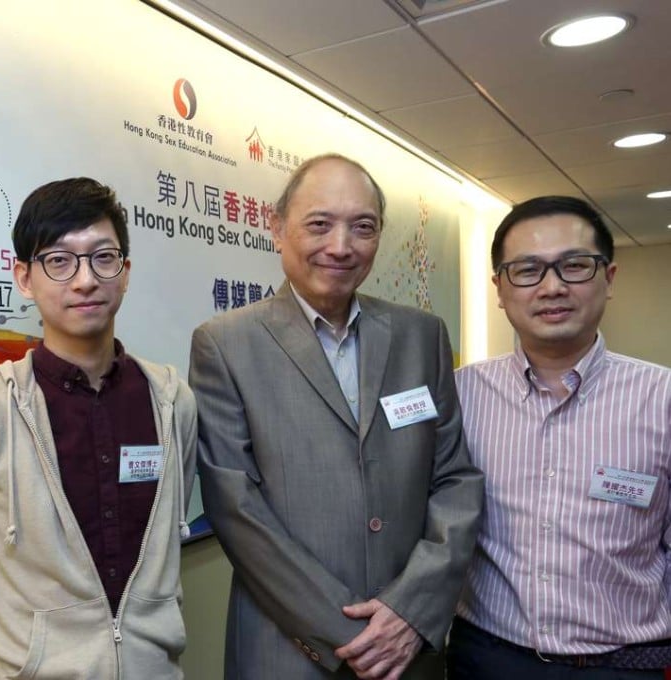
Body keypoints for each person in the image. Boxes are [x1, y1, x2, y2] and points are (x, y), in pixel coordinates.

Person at [190, 153, 484, 680]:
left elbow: (454, 481)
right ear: (277, 228)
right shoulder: (226, 344)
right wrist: (350, 636)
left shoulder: (421, 336)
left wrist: (408, 612)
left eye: (363, 227)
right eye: (319, 224)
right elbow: (236, 506)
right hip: (287, 650)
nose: (341, 246)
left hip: (409, 649)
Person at [0, 177, 197, 679]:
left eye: (103, 258)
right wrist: (28, 650)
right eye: (59, 261)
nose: (85, 280)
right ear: (24, 277)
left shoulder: (171, 401)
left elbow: (169, 536)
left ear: (125, 273)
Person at [448, 195, 671, 679]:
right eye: (527, 270)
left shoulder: (663, 397)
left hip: (621, 665)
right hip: (486, 659)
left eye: (574, 266)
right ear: (499, 288)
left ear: (609, 278)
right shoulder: (460, 395)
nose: (552, 287)